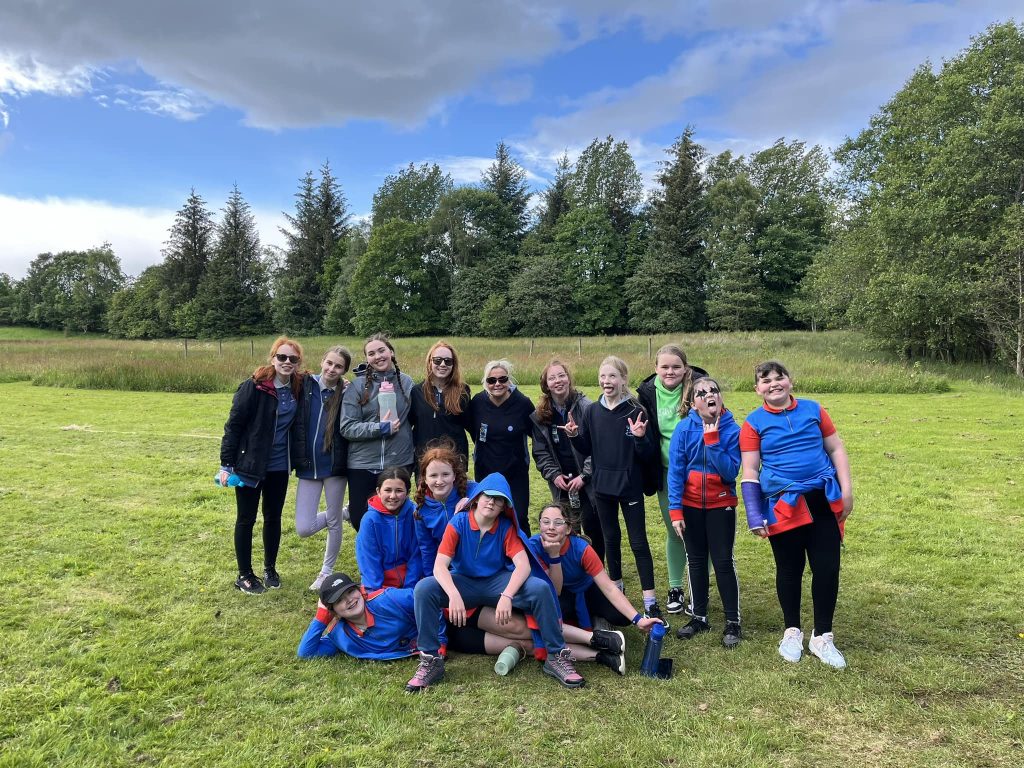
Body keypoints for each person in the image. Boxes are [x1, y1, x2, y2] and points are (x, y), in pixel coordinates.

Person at [406, 473, 585, 691]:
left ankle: (556, 656)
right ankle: (431, 660)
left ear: (503, 507)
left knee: (539, 587)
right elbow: (440, 566)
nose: (491, 502)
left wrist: (507, 596)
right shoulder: (458, 523)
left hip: (496, 583)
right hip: (464, 582)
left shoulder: (504, 527)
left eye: (498, 499)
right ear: (476, 498)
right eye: (487, 496)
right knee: (424, 588)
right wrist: (453, 595)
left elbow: (523, 565)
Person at [740, 360, 854, 669]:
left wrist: (846, 489)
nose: (774, 383)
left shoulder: (815, 410)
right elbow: (750, 469)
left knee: (827, 568)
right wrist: (754, 514)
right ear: (757, 389)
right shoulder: (753, 423)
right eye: (766, 381)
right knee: (789, 569)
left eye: (780, 377)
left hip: (821, 499)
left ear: (790, 381)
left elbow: (836, 449)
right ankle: (792, 631)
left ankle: (823, 637)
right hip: (783, 504)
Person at [563, 356, 661, 618]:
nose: (607, 381)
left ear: (623, 379)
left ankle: (650, 601)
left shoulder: (636, 410)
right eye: (603, 376)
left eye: (612, 376)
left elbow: (648, 453)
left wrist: (640, 439)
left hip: (630, 487)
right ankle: (617, 592)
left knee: (638, 542)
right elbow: (587, 448)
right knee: (610, 539)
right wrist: (574, 436)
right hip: (602, 487)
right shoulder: (593, 410)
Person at [527, 502, 662, 674]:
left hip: (587, 590)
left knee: (621, 617)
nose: (551, 527)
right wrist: (554, 556)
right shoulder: (534, 546)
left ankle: (596, 618)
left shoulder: (582, 549)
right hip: (559, 593)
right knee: (554, 614)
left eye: (558, 522)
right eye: (545, 522)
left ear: (568, 529)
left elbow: (610, 588)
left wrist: (639, 620)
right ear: (539, 524)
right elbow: (556, 590)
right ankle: (592, 633)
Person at [218, 337, 308, 594]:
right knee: (246, 519)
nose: (287, 362)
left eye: (293, 359)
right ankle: (244, 575)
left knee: (273, 517)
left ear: (298, 362)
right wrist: (227, 464)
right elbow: (233, 426)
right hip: (250, 464)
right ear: (272, 358)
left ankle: (270, 568)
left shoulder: (299, 387)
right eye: (282, 357)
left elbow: (323, 380)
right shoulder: (254, 387)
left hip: (279, 466)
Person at [666, 376, 743, 648]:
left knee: (723, 562)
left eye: (714, 391)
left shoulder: (733, 430)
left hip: (720, 505)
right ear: (693, 403)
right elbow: (675, 472)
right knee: (695, 561)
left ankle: (733, 621)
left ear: (720, 398)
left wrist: (713, 441)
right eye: (701, 393)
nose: (709, 395)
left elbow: (730, 471)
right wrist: (675, 510)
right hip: (690, 507)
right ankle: (699, 616)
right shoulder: (684, 430)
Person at [637, 344, 707, 615]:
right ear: (655, 369)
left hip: (700, 473)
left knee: (703, 533)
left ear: (685, 369)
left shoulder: (700, 388)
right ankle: (676, 588)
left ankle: (696, 584)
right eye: (664, 367)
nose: (670, 372)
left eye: (676, 367)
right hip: (666, 474)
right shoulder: (645, 394)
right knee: (675, 530)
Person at [530, 359, 604, 562]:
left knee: (592, 526)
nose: (558, 381)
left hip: (587, 482)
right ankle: (570, 568)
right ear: (546, 384)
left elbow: (597, 447)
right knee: (566, 526)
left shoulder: (587, 408)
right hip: (562, 482)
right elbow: (540, 451)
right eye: (552, 378)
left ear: (569, 379)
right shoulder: (540, 416)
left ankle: (595, 571)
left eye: (561, 375)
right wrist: (553, 475)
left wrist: (585, 475)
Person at [340, 334, 415, 531]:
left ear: (391, 352)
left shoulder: (406, 383)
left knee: (397, 519)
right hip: (362, 463)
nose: (378, 356)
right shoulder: (356, 386)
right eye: (371, 353)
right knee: (360, 518)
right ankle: (372, 558)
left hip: (398, 461)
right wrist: (380, 428)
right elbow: (347, 427)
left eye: (381, 350)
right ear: (367, 359)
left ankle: (395, 560)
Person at [296, 345, 351, 591]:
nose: (332, 369)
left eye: (338, 366)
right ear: (322, 361)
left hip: (335, 467)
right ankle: (344, 513)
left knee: (333, 522)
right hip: (308, 466)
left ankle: (325, 571)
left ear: (344, 371)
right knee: (304, 528)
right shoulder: (306, 385)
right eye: (329, 363)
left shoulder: (346, 392)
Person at [468, 360, 536, 534]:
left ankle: (525, 558)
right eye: (492, 380)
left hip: (515, 472)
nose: (497, 384)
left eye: (502, 379)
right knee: (488, 517)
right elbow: (472, 429)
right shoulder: (477, 402)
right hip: (486, 471)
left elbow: (537, 434)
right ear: (485, 382)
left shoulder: (522, 403)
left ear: (509, 380)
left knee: (518, 517)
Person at [297, 572, 419, 660]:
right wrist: (321, 618)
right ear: (333, 611)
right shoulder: (340, 634)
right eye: (339, 600)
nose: (349, 600)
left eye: (350, 591)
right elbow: (306, 653)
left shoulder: (387, 599)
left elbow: (428, 597)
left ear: (360, 590)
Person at [412, 439, 475, 577]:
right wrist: (432, 578)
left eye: (445, 474)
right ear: (425, 478)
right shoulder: (421, 511)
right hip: (449, 570)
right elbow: (427, 549)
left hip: (478, 565)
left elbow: (497, 488)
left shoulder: (471, 490)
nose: (439, 481)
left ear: (454, 475)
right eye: (433, 475)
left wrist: (473, 500)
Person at [355, 467, 422, 591]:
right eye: (388, 490)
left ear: (407, 492)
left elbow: (417, 554)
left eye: (399, 490)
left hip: (413, 582)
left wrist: (410, 587)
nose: (393, 496)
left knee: (424, 596)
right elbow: (369, 561)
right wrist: (376, 592)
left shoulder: (415, 514)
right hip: (382, 587)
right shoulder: (370, 520)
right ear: (378, 491)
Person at [409, 341, 472, 465]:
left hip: (454, 460)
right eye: (438, 360)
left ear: (453, 364)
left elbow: (471, 425)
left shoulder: (463, 391)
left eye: (448, 361)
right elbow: (408, 425)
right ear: (430, 362)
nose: (443, 364)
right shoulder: (416, 391)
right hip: (424, 460)